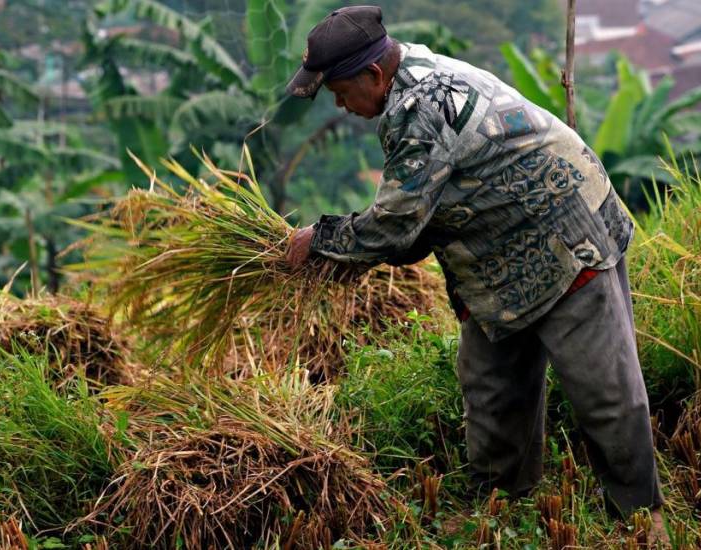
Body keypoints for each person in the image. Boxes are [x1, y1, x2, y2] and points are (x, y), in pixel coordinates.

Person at [284, 5, 669, 543]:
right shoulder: (403, 75)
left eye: (341, 92)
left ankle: (641, 520)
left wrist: (318, 242)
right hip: (495, 257)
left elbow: (394, 227)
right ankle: (504, 514)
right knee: (490, 388)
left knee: (604, 392)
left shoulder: (419, 107)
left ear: (373, 74)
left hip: (563, 236)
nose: (342, 106)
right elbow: (413, 226)